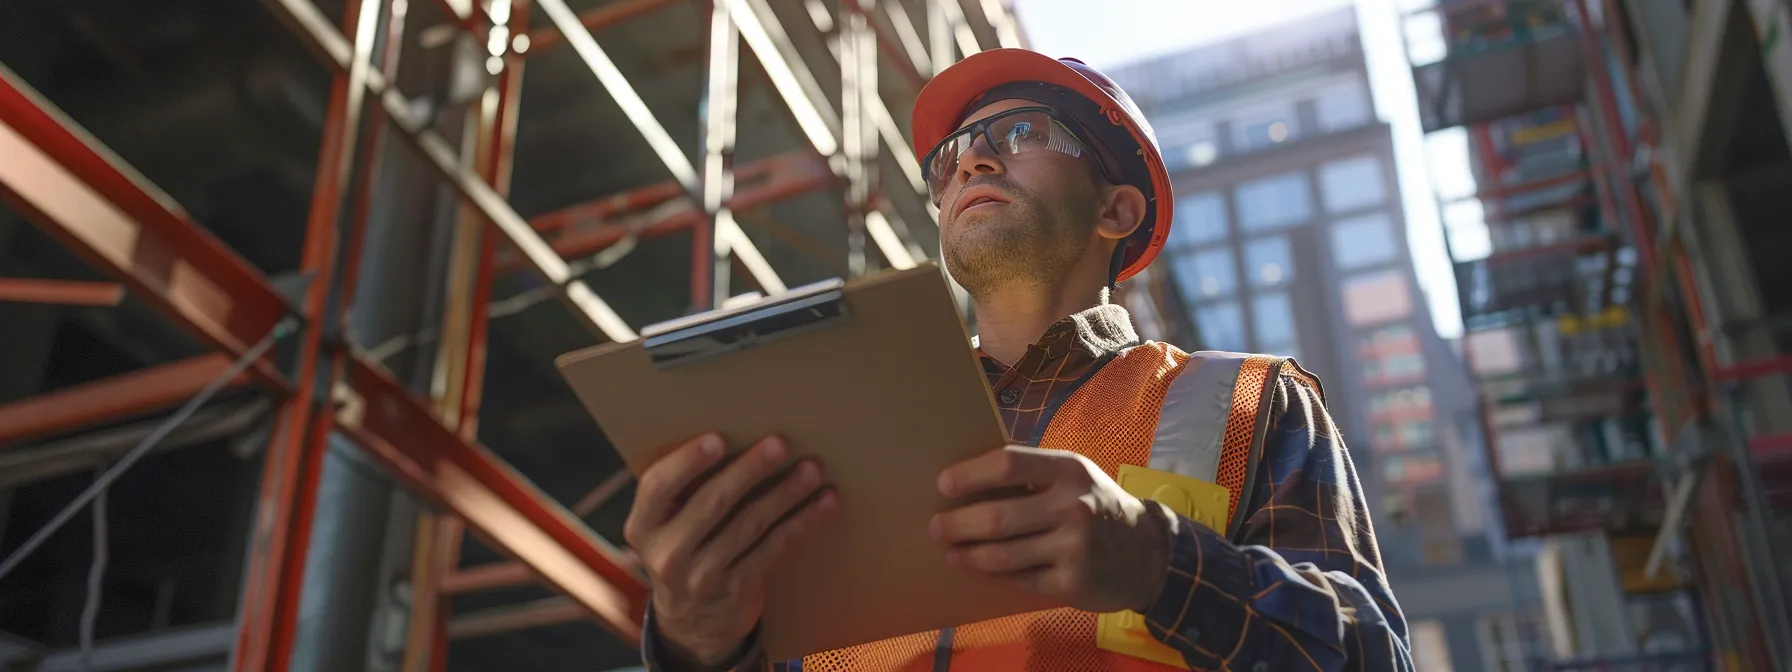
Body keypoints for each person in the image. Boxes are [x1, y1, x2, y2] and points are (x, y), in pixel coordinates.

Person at [624, 48, 1413, 672]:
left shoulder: (1247, 402)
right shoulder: (848, 430)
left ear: (1117, 209)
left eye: (1024, 132)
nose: (973, 162)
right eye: (955, 156)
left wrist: (1161, 564)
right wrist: (698, 639)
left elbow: (1373, 655)